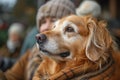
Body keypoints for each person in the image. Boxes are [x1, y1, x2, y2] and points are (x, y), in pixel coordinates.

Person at [0, 0, 75, 80]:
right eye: (43, 22)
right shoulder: (31, 54)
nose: (45, 27)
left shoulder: (76, 61)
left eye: (53, 20)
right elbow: (10, 77)